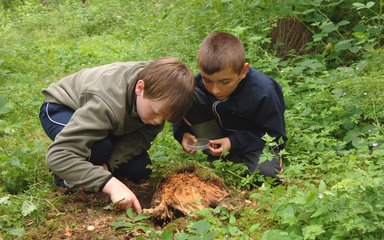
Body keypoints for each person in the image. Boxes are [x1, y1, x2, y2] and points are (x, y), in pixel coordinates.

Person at [39, 57, 195, 213]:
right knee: (99, 149)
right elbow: (57, 156)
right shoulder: (106, 102)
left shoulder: (157, 98)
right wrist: (111, 184)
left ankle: (90, 168)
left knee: (139, 169)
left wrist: (108, 167)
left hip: (108, 122)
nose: (158, 121)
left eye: (165, 119)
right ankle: (64, 177)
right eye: (155, 113)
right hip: (62, 107)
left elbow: (138, 141)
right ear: (140, 88)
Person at [172, 32, 287, 181]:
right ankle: (218, 155)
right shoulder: (197, 85)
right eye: (208, 80)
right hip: (215, 139)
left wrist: (233, 142)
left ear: (243, 71)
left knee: (266, 174)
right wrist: (182, 134)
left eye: (225, 82)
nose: (215, 90)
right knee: (189, 93)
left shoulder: (263, 92)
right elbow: (178, 114)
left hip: (253, 142)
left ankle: (235, 158)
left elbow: (275, 135)